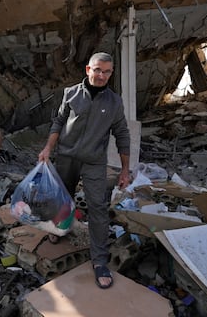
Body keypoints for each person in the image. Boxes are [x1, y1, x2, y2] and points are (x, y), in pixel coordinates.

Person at [38, 52, 131, 289]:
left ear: (111, 73)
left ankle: (99, 261)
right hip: (67, 156)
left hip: (94, 162)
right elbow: (59, 121)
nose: (101, 75)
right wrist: (48, 147)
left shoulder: (114, 102)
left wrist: (124, 170)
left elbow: (122, 134)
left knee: (98, 207)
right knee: (62, 197)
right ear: (88, 69)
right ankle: (60, 230)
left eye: (107, 71)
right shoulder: (70, 93)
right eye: (97, 70)